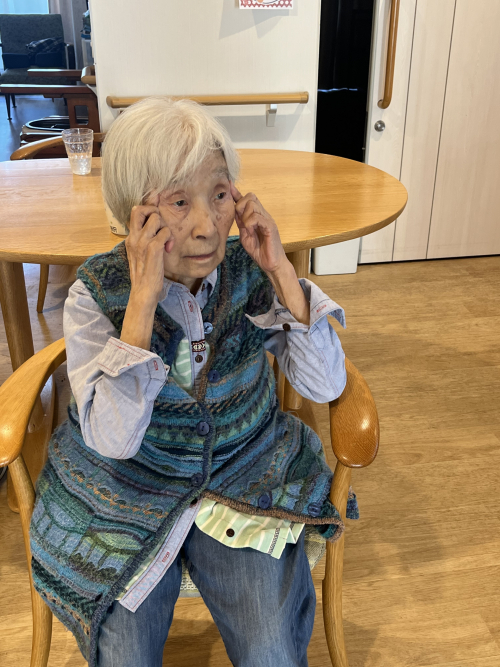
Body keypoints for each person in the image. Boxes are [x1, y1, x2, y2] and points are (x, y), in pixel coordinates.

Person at [30, 96, 359, 667]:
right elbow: (113, 440)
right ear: (135, 212)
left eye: (221, 195)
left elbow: (326, 385)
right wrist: (142, 301)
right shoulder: (94, 296)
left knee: (271, 649)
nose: (208, 227)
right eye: (180, 202)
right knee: (126, 654)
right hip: (126, 487)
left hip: (244, 473)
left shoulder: (248, 271)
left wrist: (282, 270)